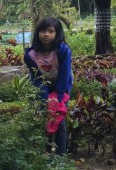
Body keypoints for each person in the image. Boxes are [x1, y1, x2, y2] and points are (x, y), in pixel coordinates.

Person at [23, 17, 73, 156]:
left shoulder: (63, 51)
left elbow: (64, 75)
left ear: (57, 33)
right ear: (37, 33)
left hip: (62, 86)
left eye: (51, 31)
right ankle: (45, 155)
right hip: (42, 86)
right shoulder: (30, 54)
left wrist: (59, 97)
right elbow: (36, 76)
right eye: (43, 31)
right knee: (45, 118)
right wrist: (45, 98)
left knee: (60, 120)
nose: (46, 34)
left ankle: (61, 157)